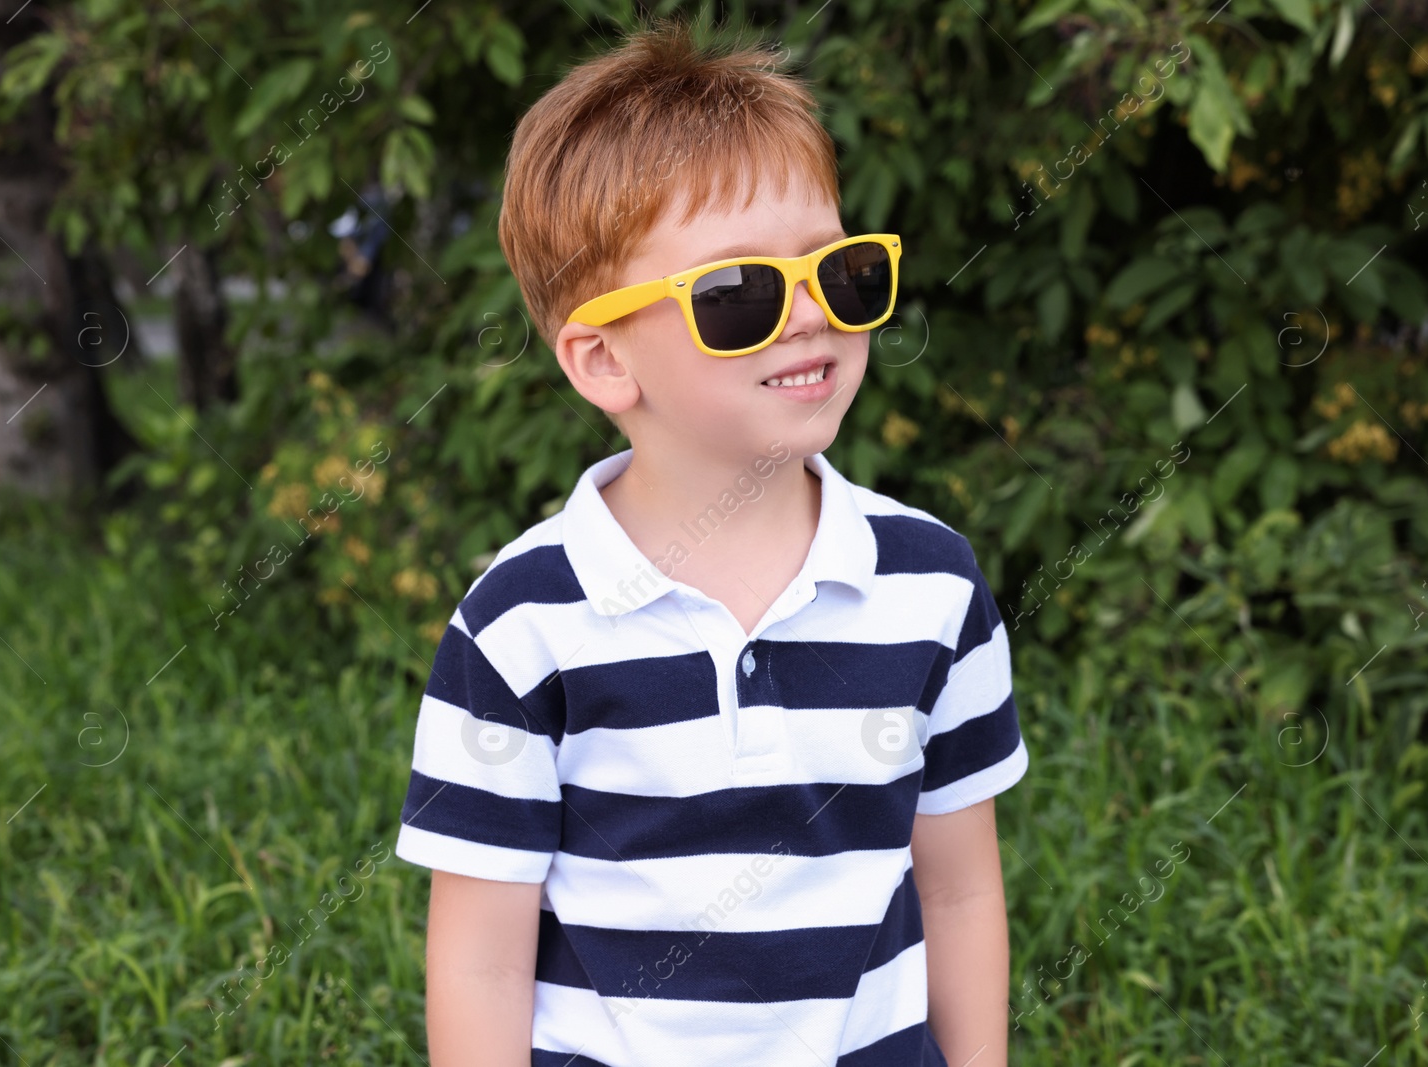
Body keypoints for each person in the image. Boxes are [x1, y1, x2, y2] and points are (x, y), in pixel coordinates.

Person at [394, 16, 1028, 1067]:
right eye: (740, 295)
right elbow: (480, 959)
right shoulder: (523, 624)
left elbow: (959, 887)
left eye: (842, 272)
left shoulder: (931, 584)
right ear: (603, 361)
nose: (811, 315)